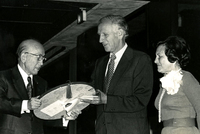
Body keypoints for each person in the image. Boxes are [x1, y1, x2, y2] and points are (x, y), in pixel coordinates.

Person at [81, 15, 153, 134]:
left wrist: (107, 100)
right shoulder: (100, 63)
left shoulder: (140, 60)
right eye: (99, 35)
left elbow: (140, 100)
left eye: (105, 35)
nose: (100, 40)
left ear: (120, 33)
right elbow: (92, 93)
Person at [0, 39, 80, 134]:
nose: (41, 63)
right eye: (38, 58)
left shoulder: (42, 83)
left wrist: (65, 116)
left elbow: (44, 115)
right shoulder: (4, 77)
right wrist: (26, 105)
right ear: (23, 57)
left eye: (43, 59)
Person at [154, 36, 200, 134]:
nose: (155, 61)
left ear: (173, 57)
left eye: (159, 57)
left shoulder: (186, 78)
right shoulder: (164, 83)